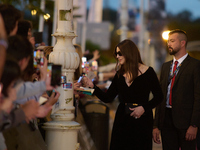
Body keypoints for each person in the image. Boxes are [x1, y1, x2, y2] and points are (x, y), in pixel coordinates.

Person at [81, 39, 163, 150]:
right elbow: (108, 97)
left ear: (129, 52)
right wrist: (93, 87)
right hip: (122, 120)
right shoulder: (120, 74)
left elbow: (159, 97)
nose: (117, 56)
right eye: (116, 54)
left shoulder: (149, 72)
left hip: (142, 121)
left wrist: (144, 108)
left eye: (120, 53)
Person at [153, 29, 200, 150]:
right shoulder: (165, 66)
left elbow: (198, 97)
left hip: (186, 122)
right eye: (168, 41)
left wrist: (194, 125)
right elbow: (160, 96)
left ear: (183, 43)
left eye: (172, 41)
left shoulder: (195, 65)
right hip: (166, 121)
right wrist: (156, 125)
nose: (169, 44)